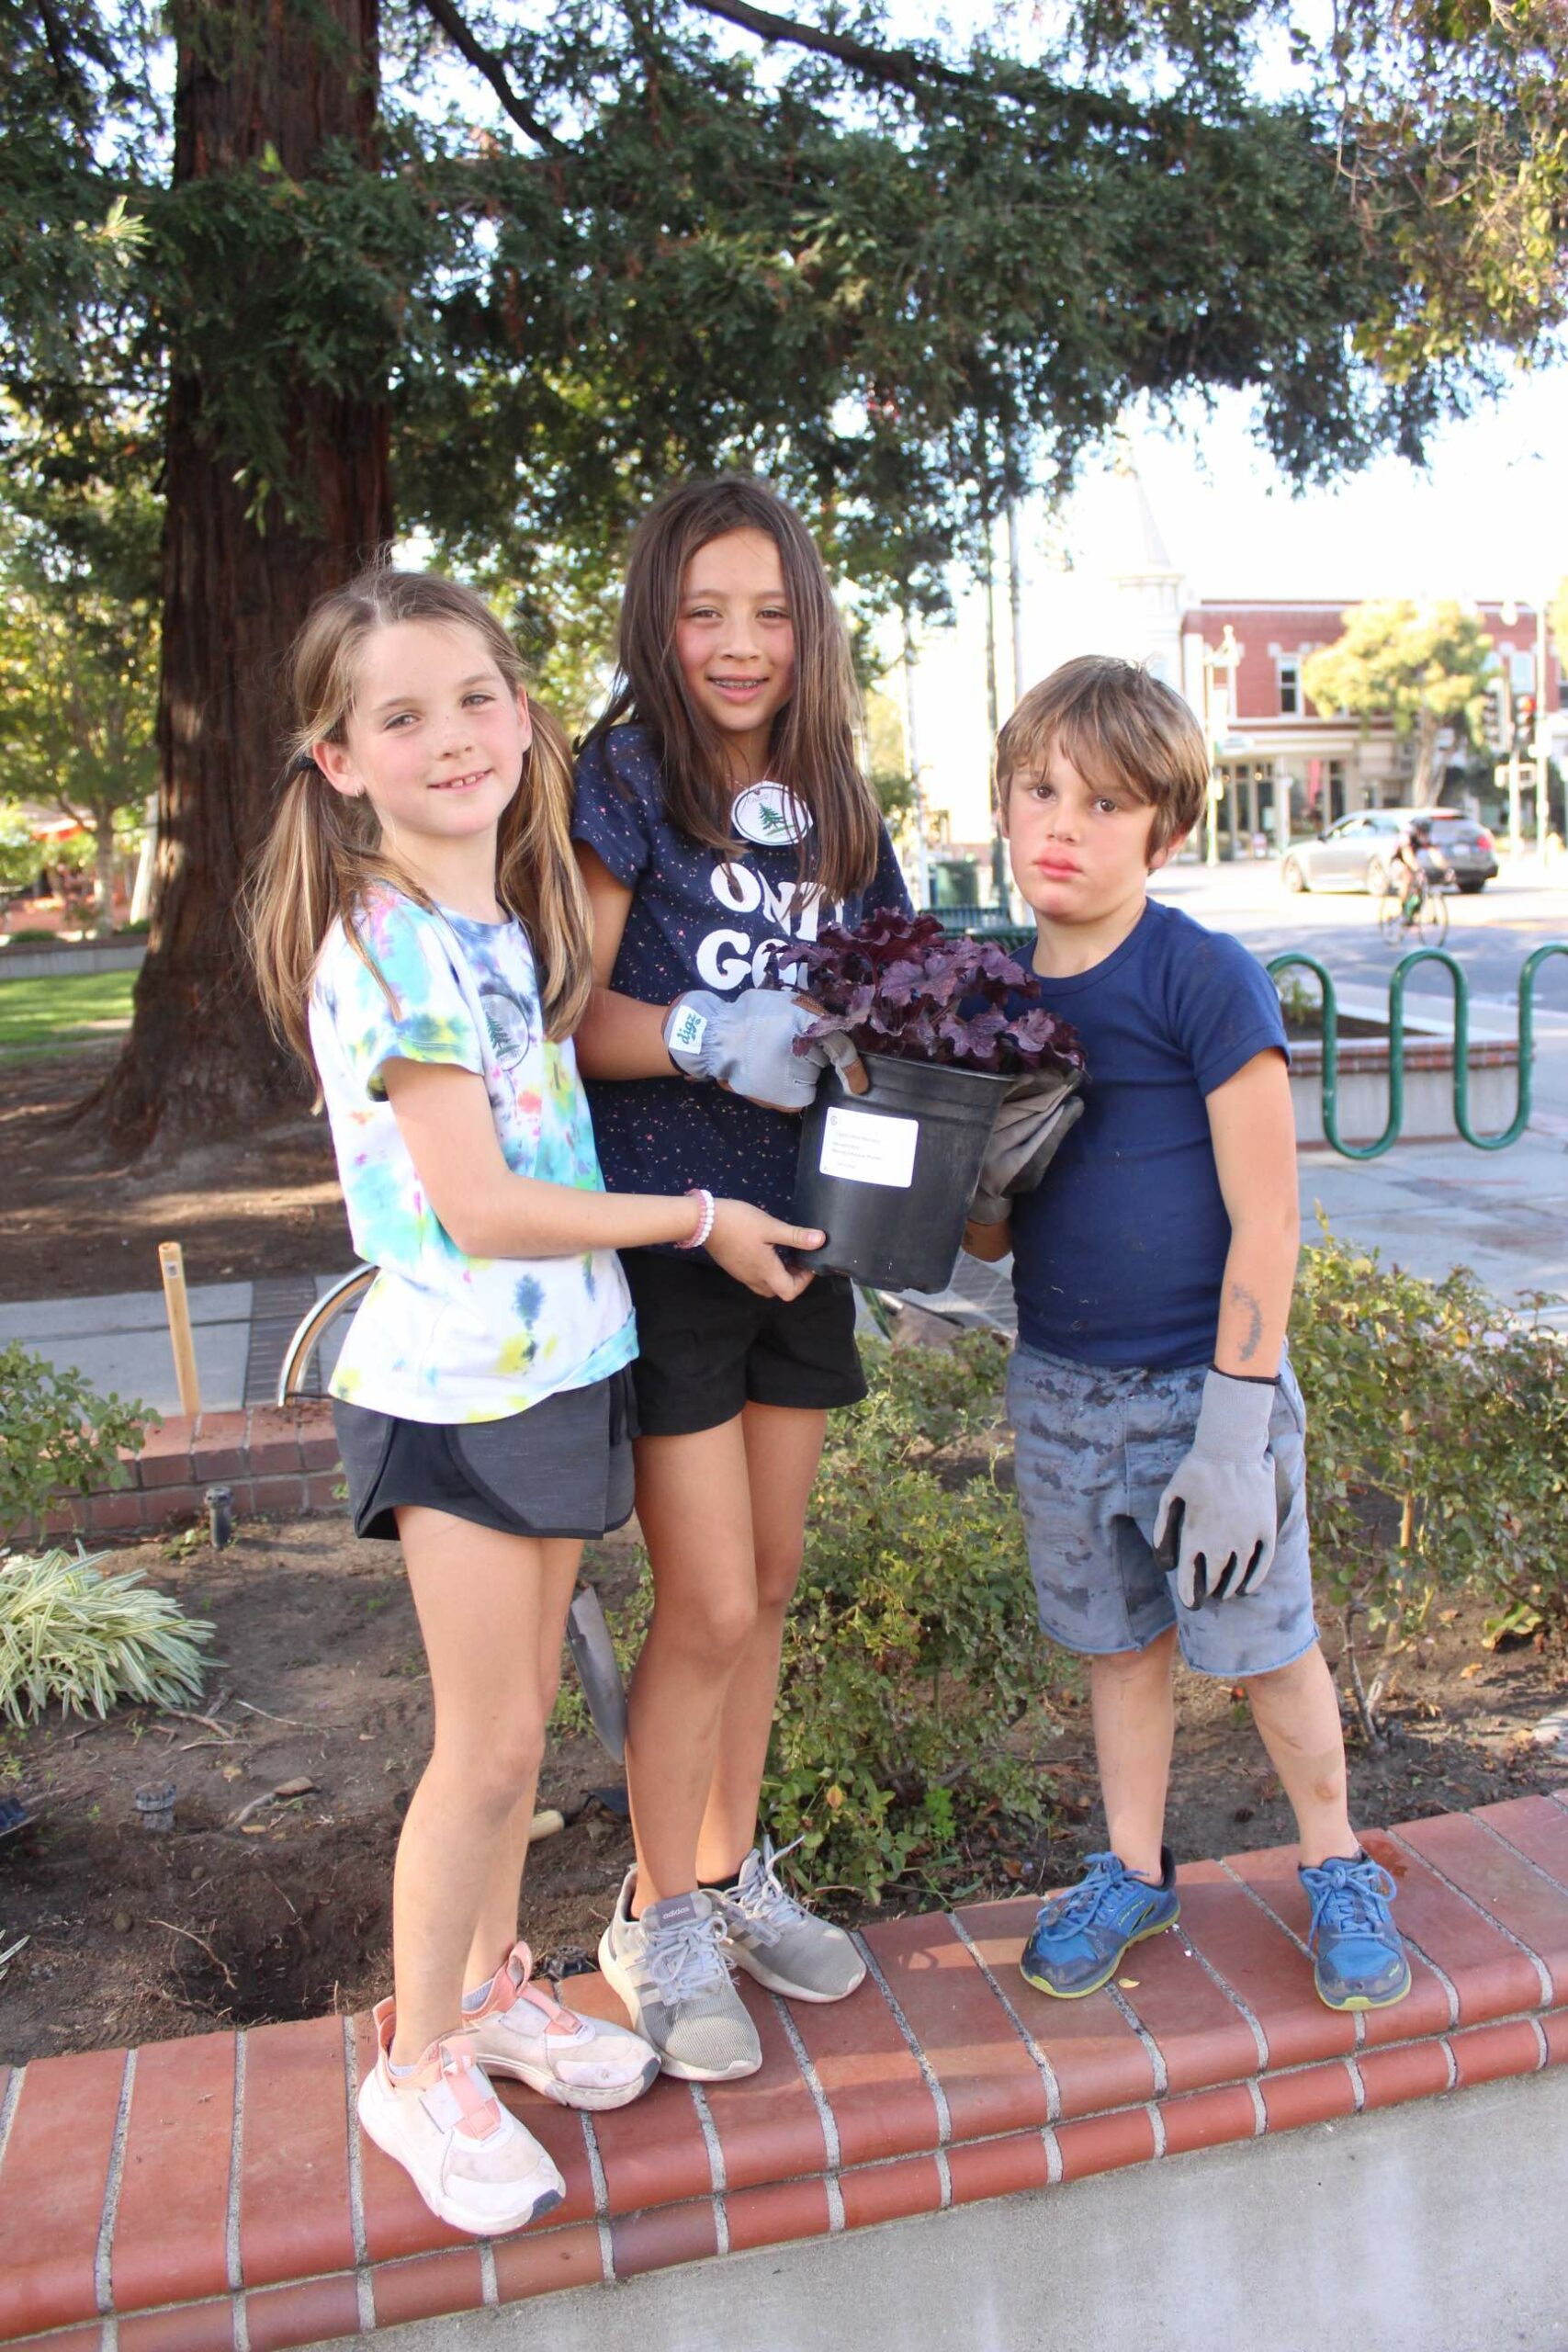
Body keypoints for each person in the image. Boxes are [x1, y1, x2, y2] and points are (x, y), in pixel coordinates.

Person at [248, 566, 825, 2234]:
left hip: (557, 1371)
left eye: (478, 700)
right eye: (402, 715)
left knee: (518, 1744)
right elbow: (483, 1207)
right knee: (491, 1747)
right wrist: (695, 1218)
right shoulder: (387, 942)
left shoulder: (492, 921)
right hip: (463, 1394)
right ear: (338, 758)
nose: (453, 737)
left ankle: (493, 1993)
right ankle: (418, 2058)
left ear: (526, 718)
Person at [964, 655, 1410, 2016]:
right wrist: (980, 1174)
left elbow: (1267, 1219)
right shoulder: (989, 997)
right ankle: (1135, 1866)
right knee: (1120, 1648)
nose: (1064, 824)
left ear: (1165, 830)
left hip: (1201, 1396)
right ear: (1001, 799)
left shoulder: (1201, 976)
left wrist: (1232, 1428)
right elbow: (981, 1244)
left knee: (1266, 1643)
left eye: (1106, 804)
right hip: (1060, 1389)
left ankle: (1336, 1861)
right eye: (1041, 789)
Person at [570, 475, 911, 2080]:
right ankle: (657, 1916)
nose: (739, 642)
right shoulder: (621, 775)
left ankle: (728, 1868)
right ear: (660, 612)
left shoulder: (839, 790)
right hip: (674, 1240)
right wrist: (706, 1034)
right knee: (700, 1599)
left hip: (809, 1236)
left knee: (766, 1589)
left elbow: (902, 986)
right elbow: (571, 1016)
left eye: (770, 610)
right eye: (707, 609)